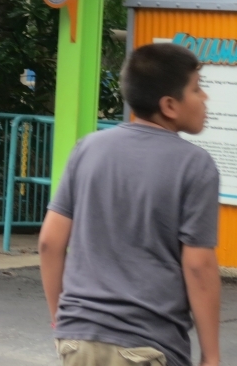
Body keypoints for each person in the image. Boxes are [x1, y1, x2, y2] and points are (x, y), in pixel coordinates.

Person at [39, 42, 221, 366]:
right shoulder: (195, 165)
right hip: (147, 345)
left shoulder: (88, 149)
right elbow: (198, 266)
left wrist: (62, 321)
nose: (204, 98)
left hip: (78, 339)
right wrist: (211, 355)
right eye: (197, 89)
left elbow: (49, 243)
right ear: (169, 105)